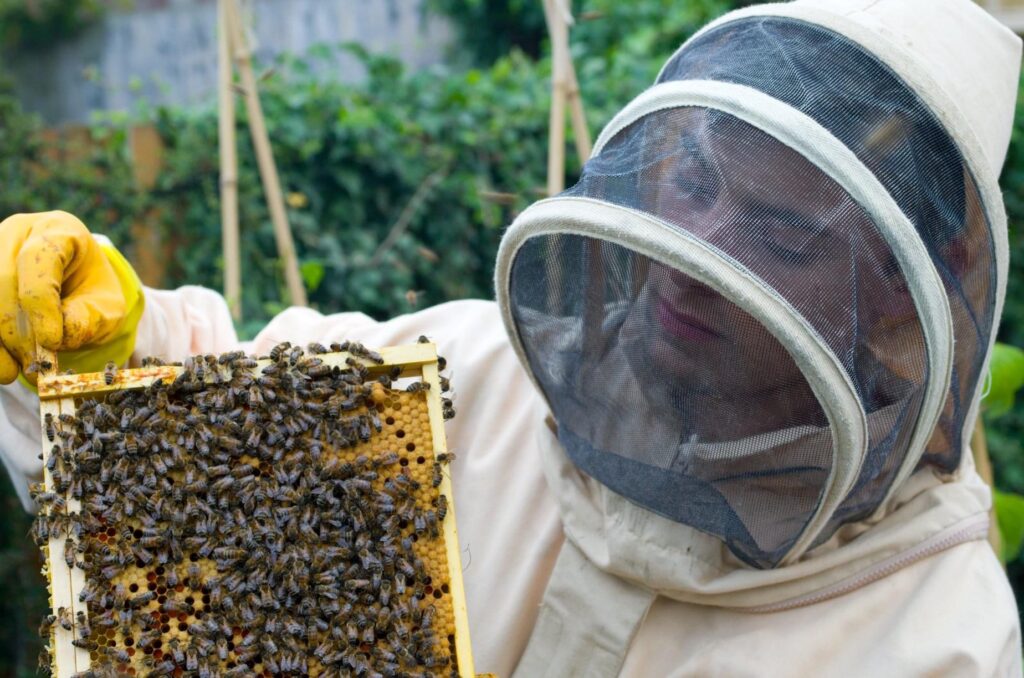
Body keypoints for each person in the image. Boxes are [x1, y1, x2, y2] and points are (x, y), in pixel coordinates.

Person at [1, 0, 1021, 674]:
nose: (690, 255)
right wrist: (112, 338)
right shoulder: (473, 377)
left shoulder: (935, 642)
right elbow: (193, 437)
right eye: (695, 182)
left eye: (781, 232)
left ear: (900, 288)